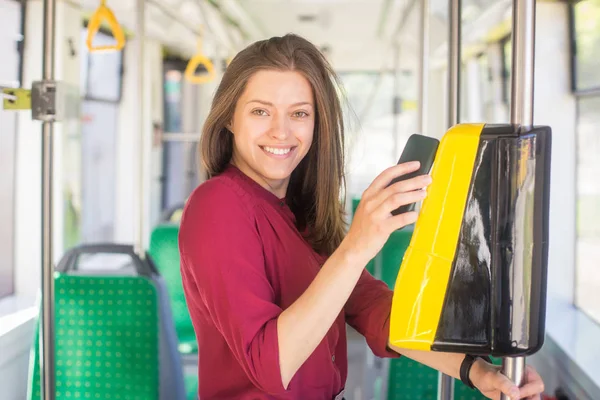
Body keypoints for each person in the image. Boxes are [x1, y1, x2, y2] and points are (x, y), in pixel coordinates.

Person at [178, 34, 545, 400]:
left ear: (316, 124)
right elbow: (269, 366)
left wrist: (478, 371)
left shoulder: (299, 213)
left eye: (299, 113)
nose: (281, 131)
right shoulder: (217, 206)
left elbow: (376, 313)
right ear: (228, 118)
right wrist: (356, 246)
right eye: (261, 111)